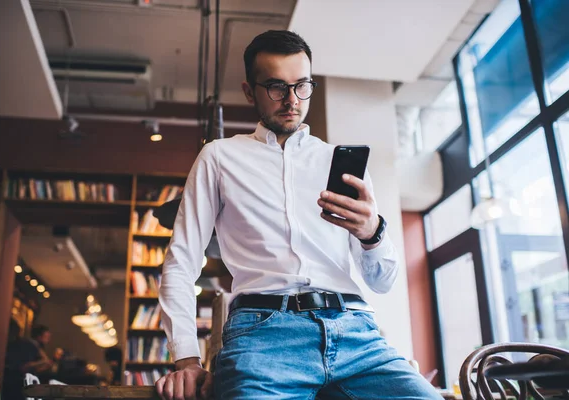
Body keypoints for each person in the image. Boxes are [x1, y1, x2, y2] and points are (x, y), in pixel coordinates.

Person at [155, 30, 443, 399]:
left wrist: (372, 233)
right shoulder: (219, 157)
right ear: (249, 92)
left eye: (302, 86)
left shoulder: (337, 163)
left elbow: (383, 282)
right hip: (263, 335)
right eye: (276, 87)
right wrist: (186, 360)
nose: (292, 100)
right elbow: (181, 260)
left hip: (356, 331)